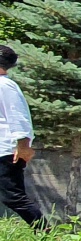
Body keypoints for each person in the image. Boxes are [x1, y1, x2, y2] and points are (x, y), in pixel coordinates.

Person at [0, 46, 44, 226]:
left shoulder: (5, 86)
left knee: (13, 197)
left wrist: (23, 145)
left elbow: (18, 116)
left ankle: (45, 231)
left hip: (5, 151)